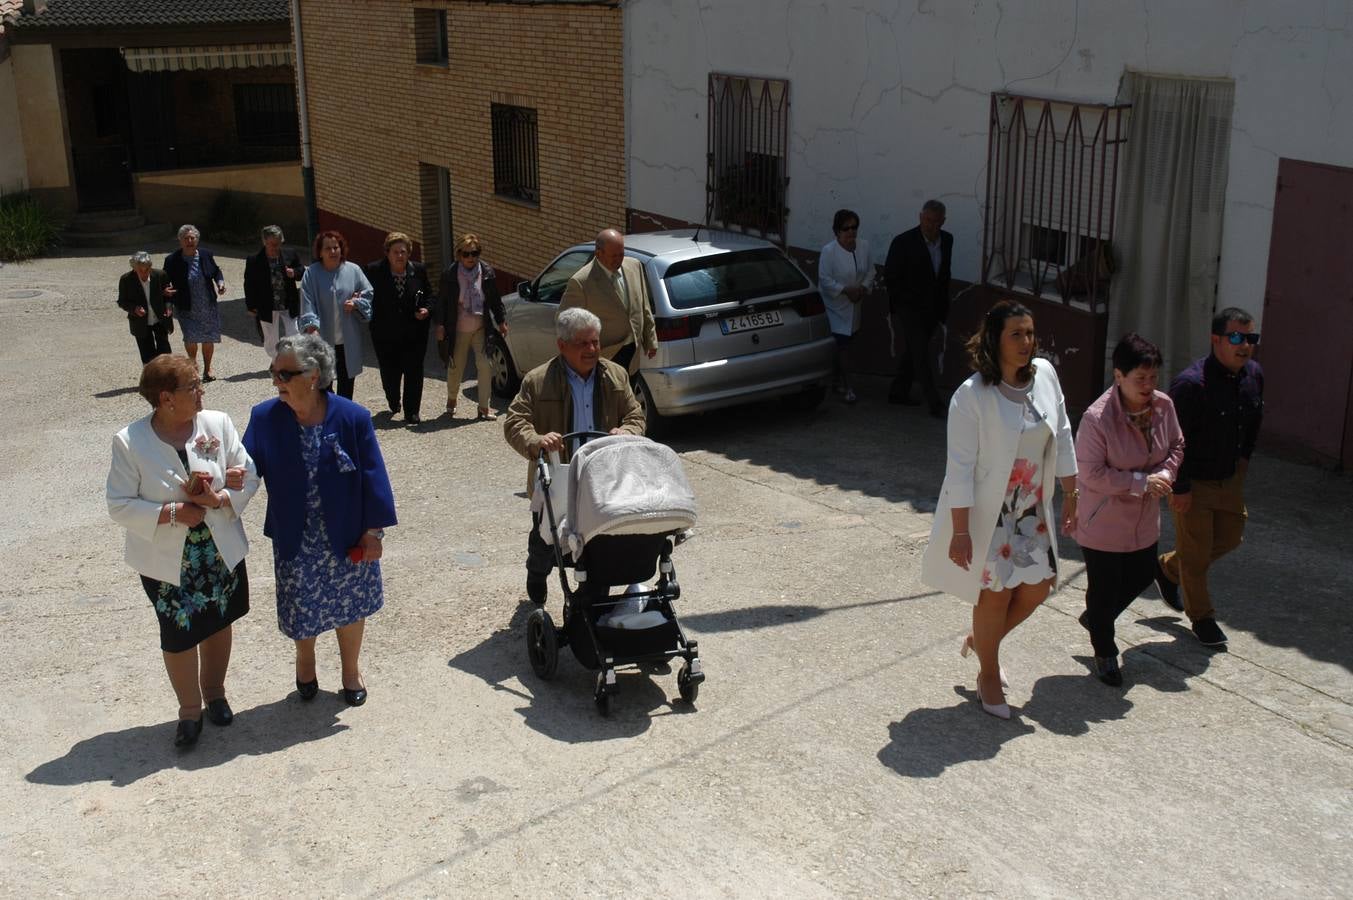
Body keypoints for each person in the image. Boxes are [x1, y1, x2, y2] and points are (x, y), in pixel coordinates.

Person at [920, 299, 1078, 719]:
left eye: (1030, 333)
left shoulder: (1045, 375)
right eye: (1016, 334)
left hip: (1030, 507)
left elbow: (1061, 433)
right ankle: (988, 673)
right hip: (989, 512)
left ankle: (980, 641)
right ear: (995, 340)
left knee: (1038, 586)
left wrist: (1072, 491)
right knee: (994, 595)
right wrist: (959, 531)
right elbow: (960, 469)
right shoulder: (971, 396)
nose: (1027, 342)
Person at [106, 354, 259, 748]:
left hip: (217, 548)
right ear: (165, 398)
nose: (200, 391)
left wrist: (220, 497)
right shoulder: (130, 441)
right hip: (168, 558)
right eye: (192, 386)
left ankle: (216, 694)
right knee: (178, 633)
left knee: (219, 620)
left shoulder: (217, 423)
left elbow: (249, 473)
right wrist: (174, 511)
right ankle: (189, 711)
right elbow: (119, 504)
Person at [242, 333, 396, 706]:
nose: (276, 382)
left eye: (284, 375)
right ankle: (305, 661)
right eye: (274, 374)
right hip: (297, 531)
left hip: (346, 530)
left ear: (312, 376)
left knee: (350, 604)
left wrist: (373, 531)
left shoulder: (352, 417)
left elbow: (374, 475)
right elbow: (244, 469)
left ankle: (350, 670)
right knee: (302, 605)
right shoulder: (264, 418)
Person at [504, 307, 646, 604]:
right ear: (562, 345)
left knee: (599, 542)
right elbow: (515, 422)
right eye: (583, 343)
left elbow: (635, 415)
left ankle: (589, 603)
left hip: (603, 478)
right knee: (546, 541)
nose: (592, 349)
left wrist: (628, 432)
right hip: (557, 478)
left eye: (595, 342)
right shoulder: (537, 380)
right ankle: (536, 572)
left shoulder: (616, 376)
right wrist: (537, 440)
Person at [1073, 334, 1185, 685]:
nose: (1149, 386)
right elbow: (1089, 472)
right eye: (1141, 379)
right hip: (1103, 520)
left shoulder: (1164, 406)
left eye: (1153, 378)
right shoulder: (1097, 418)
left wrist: (1167, 472)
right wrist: (1140, 482)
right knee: (1104, 588)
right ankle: (1105, 651)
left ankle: (1097, 618)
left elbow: (1177, 445)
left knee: (1139, 575)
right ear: (1118, 376)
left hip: (1144, 519)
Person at [1154, 307, 1265, 648]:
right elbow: (1171, 439)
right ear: (1216, 340)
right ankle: (1202, 618)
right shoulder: (1191, 385)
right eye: (1236, 337)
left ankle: (1169, 569)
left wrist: (1243, 460)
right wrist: (1180, 486)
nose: (1244, 345)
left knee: (1231, 537)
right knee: (1198, 553)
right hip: (1194, 482)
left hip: (1228, 477)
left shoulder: (1254, 375)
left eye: (1250, 338)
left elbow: (1254, 420)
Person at [885, 199, 953, 417]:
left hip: (932, 308)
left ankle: (898, 391)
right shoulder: (904, 242)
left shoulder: (947, 241)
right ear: (920, 218)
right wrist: (904, 304)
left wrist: (943, 306)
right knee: (921, 353)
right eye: (927, 220)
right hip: (910, 307)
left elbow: (944, 275)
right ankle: (935, 404)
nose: (930, 226)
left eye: (935, 222)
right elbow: (891, 277)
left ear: (942, 222)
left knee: (915, 350)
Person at [558, 228, 657, 375]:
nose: (619, 259)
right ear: (599, 254)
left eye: (622, 254)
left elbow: (644, 306)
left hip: (633, 353)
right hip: (604, 356)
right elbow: (565, 322)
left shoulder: (634, 266)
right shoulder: (581, 282)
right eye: (614, 256)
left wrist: (650, 339)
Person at [435, 233, 508, 420]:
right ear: (459, 254)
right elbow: (442, 301)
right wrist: (440, 324)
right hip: (457, 328)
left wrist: (500, 321)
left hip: (480, 327)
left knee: (485, 365)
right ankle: (452, 399)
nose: (471, 258)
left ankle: (484, 407)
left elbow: (494, 299)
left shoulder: (487, 272)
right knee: (456, 367)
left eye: (474, 254)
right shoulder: (450, 274)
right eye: (466, 254)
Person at [366, 232, 433, 424]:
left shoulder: (418, 270)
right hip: (385, 334)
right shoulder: (374, 271)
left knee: (414, 372)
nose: (400, 256)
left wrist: (427, 309)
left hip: (414, 333)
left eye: (403, 252)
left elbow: (429, 295)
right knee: (390, 373)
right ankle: (393, 400)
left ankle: (412, 411)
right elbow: (365, 296)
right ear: (387, 253)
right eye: (395, 252)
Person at [299, 230, 373, 400]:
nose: (333, 252)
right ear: (320, 252)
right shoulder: (311, 273)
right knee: (323, 382)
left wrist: (356, 303)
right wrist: (312, 327)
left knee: (347, 381)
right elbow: (307, 300)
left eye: (336, 247)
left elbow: (368, 292)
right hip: (323, 338)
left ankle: (344, 415)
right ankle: (326, 415)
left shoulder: (353, 270)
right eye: (328, 248)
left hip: (348, 338)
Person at [818, 209, 875, 404]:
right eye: (846, 228)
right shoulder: (829, 251)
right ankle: (847, 386)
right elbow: (825, 280)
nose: (851, 232)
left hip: (856, 304)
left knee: (845, 345)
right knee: (842, 346)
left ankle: (834, 379)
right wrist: (845, 290)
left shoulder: (864, 247)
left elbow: (870, 272)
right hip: (836, 306)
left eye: (854, 227)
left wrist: (862, 289)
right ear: (837, 230)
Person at [163, 225, 227, 382]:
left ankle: (208, 369)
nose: (189, 241)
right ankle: (193, 366)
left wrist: (220, 283)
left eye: (192, 238)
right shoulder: (172, 260)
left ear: (197, 240)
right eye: (186, 238)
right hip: (186, 305)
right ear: (180, 240)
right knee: (190, 337)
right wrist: (166, 293)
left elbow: (216, 271)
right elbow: (164, 280)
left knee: (208, 338)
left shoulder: (205, 255)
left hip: (207, 304)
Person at [243, 225, 303, 362]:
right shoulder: (254, 260)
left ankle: (292, 361)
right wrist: (251, 306)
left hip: (288, 301)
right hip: (266, 304)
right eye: (272, 244)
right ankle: (276, 361)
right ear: (264, 242)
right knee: (270, 340)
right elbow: (249, 284)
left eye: (278, 243)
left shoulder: (290, 254)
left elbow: (301, 270)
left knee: (294, 335)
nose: (275, 247)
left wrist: (294, 273)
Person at [117, 251, 177, 364]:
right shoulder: (126, 280)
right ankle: (151, 379)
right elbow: (122, 301)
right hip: (140, 322)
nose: (144, 273)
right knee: (147, 355)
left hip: (160, 318)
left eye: (147, 269)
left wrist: (169, 307)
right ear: (134, 268)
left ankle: (166, 378)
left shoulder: (160, 275)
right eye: (140, 270)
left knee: (165, 353)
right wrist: (134, 308)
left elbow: (169, 296)